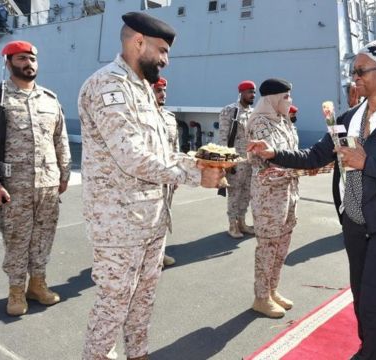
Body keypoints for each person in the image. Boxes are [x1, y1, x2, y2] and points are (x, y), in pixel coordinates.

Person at [248, 39, 376, 359]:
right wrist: (274, 153)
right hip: (354, 222)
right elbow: (314, 156)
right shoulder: (347, 118)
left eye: (362, 70)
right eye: (354, 70)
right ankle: (367, 349)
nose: (355, 76)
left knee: (374, 308)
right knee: (362, 299)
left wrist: (368, 163)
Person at [78, 12, 223, 360]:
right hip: (118, 223)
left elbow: (162, 152)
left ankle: (138, 354)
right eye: (161, 50)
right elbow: (132, 157)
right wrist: (194, 176)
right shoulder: (108, 86)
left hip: (152, 218)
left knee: (143, 299)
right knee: (113, 305)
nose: (165, 60)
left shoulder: (142, 88)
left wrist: (202, 164)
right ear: (137, 41)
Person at [0, 41, 71, 316]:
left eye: (32, 59)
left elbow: (60, 138)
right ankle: (16, 291)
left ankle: (38, 284)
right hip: (12, 187)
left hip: (47, 184)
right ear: (8, 63)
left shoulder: (50, 99)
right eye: (21, 58)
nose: (28, 63)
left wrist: (64, 173)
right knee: (18, 240)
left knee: (44, 237)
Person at [244, 78, 298, 319]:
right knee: (268, 246)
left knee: (282, 245)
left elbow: (294, 155)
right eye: (286, 97)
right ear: (273, 98)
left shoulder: (284, 123)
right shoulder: (260, 123)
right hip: (269, 196)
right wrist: (306, 167)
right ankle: (261, 297)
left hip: (288, 192)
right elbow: (275, 159)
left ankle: (272, 290)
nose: (290, 101)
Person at [218, 80, 256, 238]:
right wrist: (224, 161)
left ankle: (242, 222)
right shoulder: (230, 111)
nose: (252, 95)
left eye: (254, 92)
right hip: (235, 160)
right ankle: (232, 225)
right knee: (234, 193)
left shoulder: (254, 113)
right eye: (249, 92)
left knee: (247, 193)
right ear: (241, 93)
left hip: (251, 160)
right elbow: (223, 137)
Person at [152, 77, 177, 267]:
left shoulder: (169, 117)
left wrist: (176, 172)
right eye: (159, 90)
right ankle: (148, 257)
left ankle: (159, 253)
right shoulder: (142, 116)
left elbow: (174, 147)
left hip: (168, 177)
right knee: (149, 218)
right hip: (149, 177)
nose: (163, 94)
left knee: (164, 215)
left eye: (164, 90)